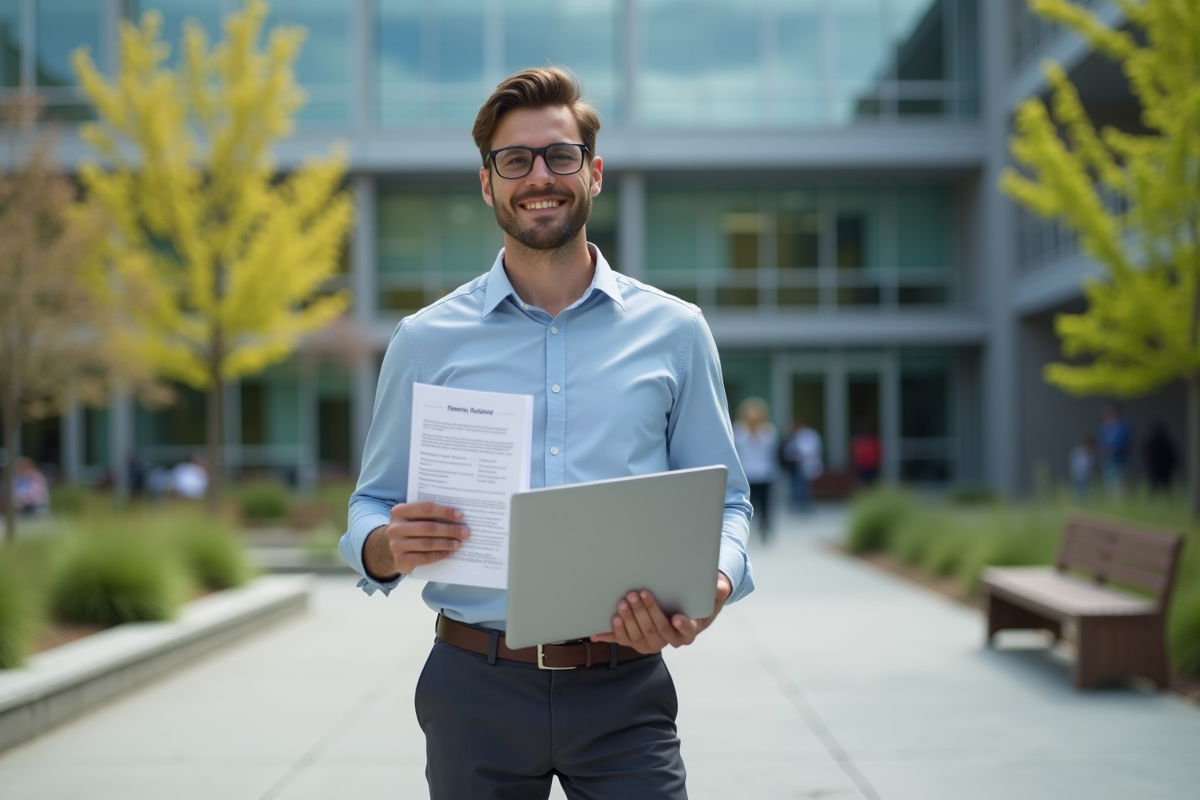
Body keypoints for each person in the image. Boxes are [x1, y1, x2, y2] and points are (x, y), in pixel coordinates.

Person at [340, 67, 753, 800]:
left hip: (624, 689)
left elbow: (728, 503)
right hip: (475, 689)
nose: (540, 176)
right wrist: (385, 546)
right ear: (487, 183)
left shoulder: (676, 332)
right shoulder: (426, 340)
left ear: (593, 173)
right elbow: (371, 503)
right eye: (515, 160)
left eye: (560, 156)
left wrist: (713, 584)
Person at [732, 397, 779, 542]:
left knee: (765, 505)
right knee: (747, 504)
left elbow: (771, 451)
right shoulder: (739, 429)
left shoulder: (768, 430)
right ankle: (745, 529)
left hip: (764, 473)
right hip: (747, 473)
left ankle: (764, 528)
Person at [783, 418, 823, 511]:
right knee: (796, 485)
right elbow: (788, 451)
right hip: (795, 465)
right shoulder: (793, 436)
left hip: (806, 464)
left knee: (805, 486)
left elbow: (810, 450)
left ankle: (805, 504)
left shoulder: (809, 435)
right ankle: (798, 503)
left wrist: (798, 452)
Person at [1097, 402, 1131, 496]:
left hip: (1119, 461)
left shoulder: (1122, 425)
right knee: (1109, 487)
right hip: (1107, 461)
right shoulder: (1104, 427)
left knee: (1119, 486)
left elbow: (1124, 442)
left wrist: (1114, 449)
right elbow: (1101, 441)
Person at [1142, 421, 1177, 494]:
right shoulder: (1167, 444)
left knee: (1153, 490)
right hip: (1164, 471)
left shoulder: (1151, 444)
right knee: (1166, 490)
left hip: (1155, 470)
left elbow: (1146, 456)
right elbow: (1173, 457)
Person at [1068, 434, 1094, 499]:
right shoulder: (1076, 452)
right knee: (1078, 490)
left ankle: (1085, 500)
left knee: (1085, 489)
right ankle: (1080, 501)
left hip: (1084, 475)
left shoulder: (1089, 453)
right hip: (1077, 475)